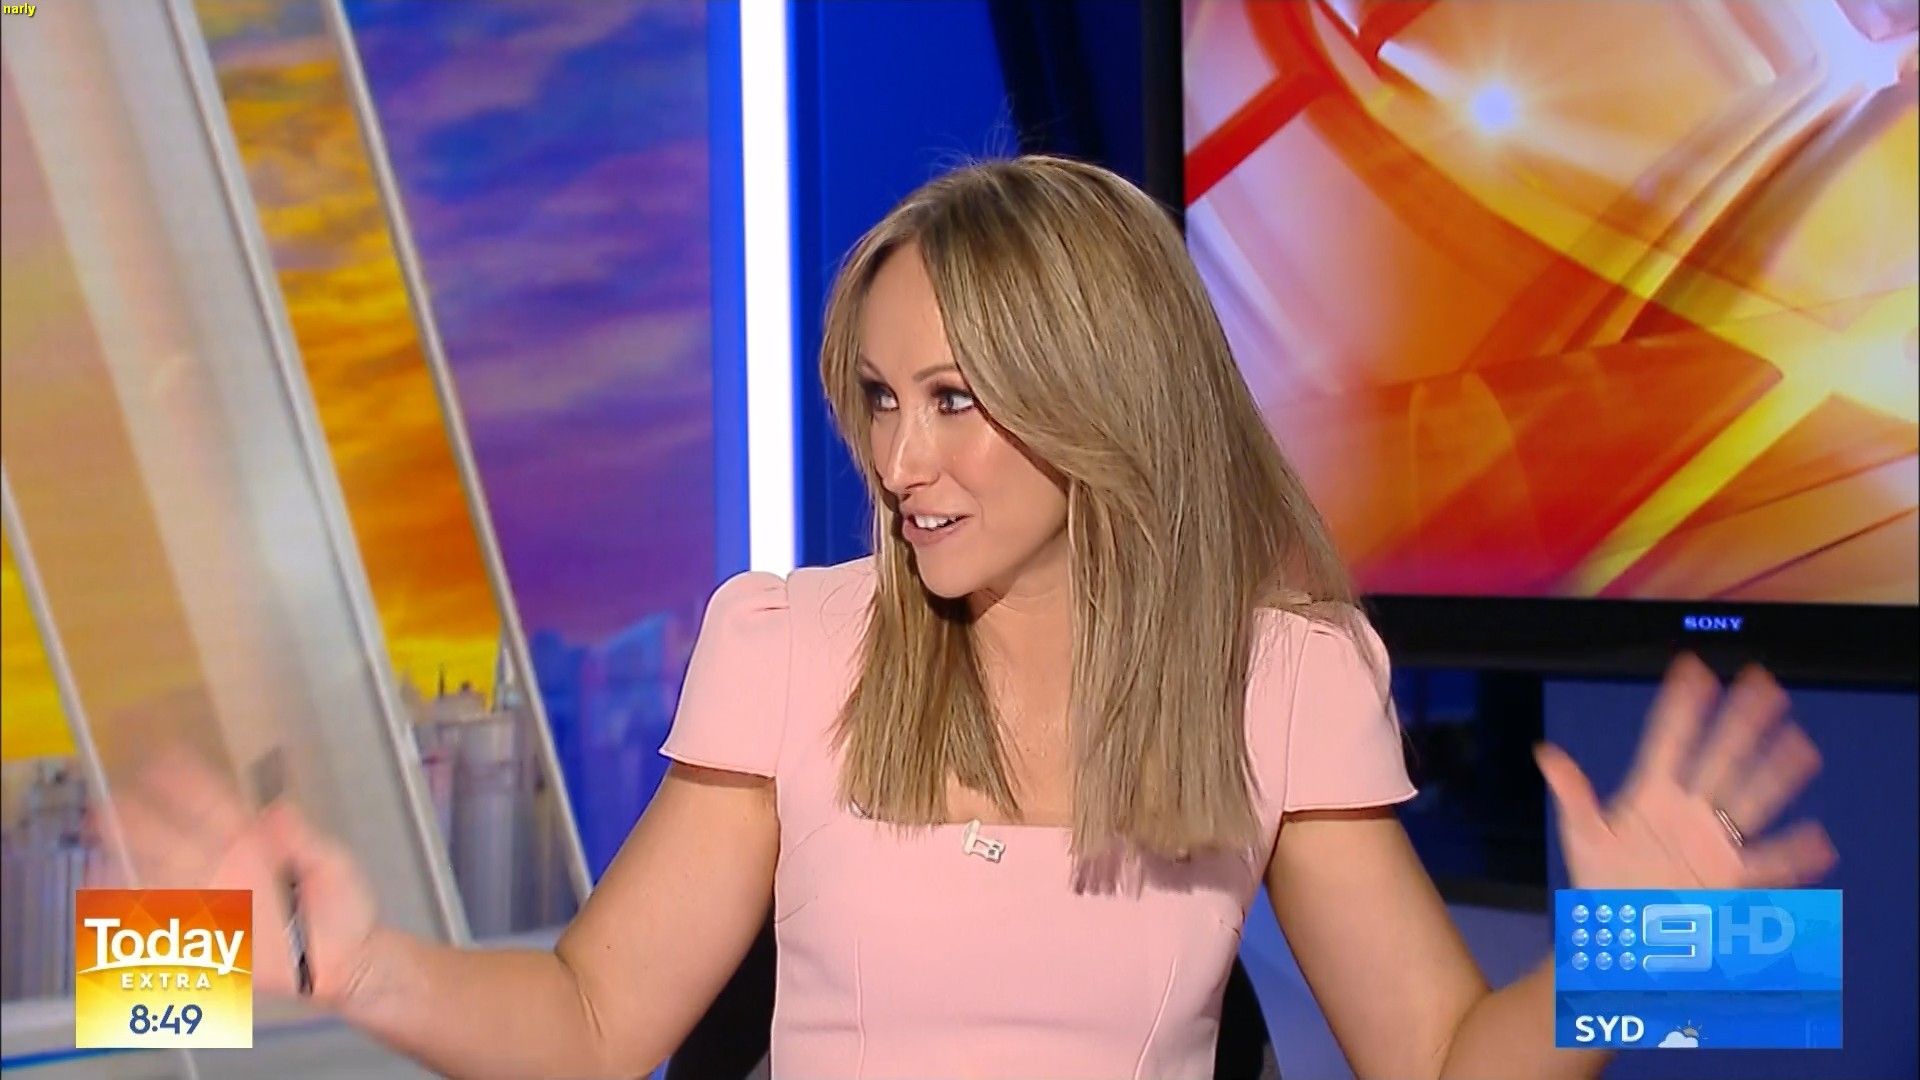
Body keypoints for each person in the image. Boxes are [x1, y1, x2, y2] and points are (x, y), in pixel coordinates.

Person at [100, 155, 1838, 1079]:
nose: (898, 459)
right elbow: (593, 1025)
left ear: (1101, 398)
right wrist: (338, 970)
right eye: (879, 398)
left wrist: (1646, 968)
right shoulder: (782, 641)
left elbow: (1449, 1063)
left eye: (954, 400)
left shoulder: (1291, 672)